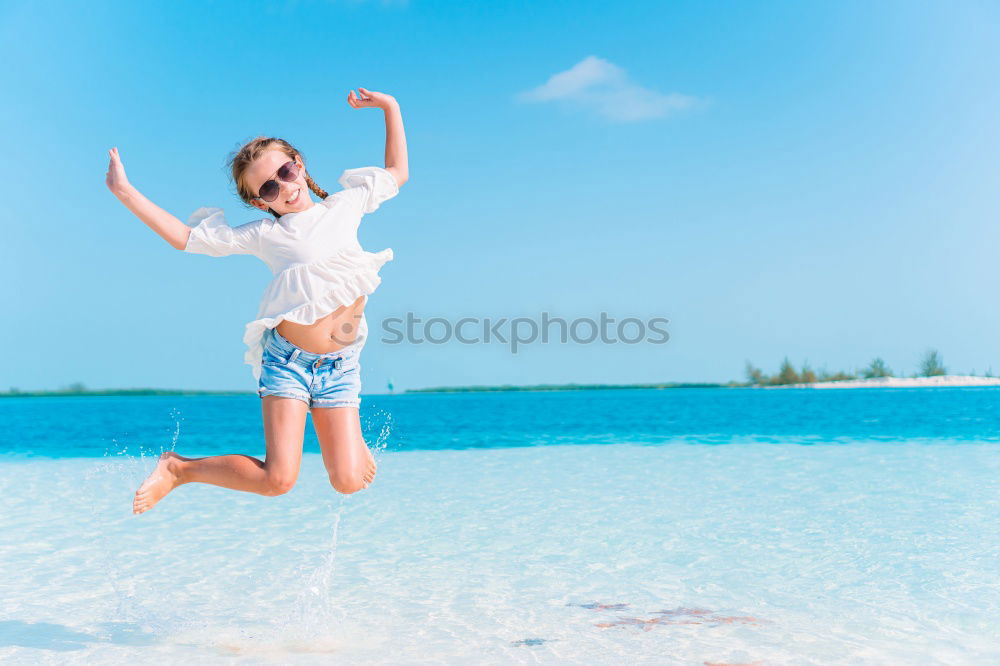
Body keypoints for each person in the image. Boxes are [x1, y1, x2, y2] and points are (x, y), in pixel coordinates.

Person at [105, 87, 409, 514]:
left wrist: (389, 107)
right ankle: (179, 469)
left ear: (299, 165)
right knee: (277, 480)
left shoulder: (345, 206)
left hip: (342, 365)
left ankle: (348, 438)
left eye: (285, 172)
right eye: (268, 187)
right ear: (257, 200)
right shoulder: (267, 236)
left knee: (349, 483)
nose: (284, 187)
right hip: (290, 363)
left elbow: (397, 170)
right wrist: (124, 191)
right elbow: (186, 238)